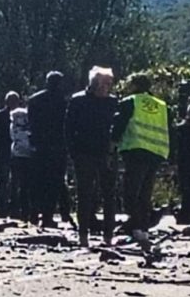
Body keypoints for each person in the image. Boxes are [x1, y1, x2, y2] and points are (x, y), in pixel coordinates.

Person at [111, 73, 169, 241]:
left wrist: (112, 143)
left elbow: (119, 124)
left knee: (131, 192)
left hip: (136, 150)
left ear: (135, 85)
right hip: (156, 152)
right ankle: (143, 227)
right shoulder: (161, 105)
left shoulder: (130, 101)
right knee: (145, 193)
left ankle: (135, 226)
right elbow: (169, 129)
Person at [66, 66, 118, 246]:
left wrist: (114, 147)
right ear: (94, 83)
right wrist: (73, 152)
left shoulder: (112, 102)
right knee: (85, 194)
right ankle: (83, 235)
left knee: (109, 194)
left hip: (106, 153)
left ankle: (108, 235)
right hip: (84, 153)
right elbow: (68, 128)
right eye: (104, 83)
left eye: (109, 84)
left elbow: (117, 126)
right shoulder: (78, 100)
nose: (107, 87)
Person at [27, 71, 69, 228]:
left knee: (37, 181)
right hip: (57, 146)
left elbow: (31, 122)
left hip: (39, 146)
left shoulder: (35, 100)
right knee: (54, 182)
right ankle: (47, 216)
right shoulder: (64, 102)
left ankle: (33, 213)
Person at [0, 91, 20, 217]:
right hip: (5, 150)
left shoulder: (19, 116)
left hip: (16, 151)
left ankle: (13, 208)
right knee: (4, 179)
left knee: (14, 180)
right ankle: (2, 208)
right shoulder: (0, 116)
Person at [8, 99, 34, 221]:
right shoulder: (29, 127)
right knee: (25, 184)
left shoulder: (13, 127)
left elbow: (12, 137)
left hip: (16, 154)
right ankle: (25, 210)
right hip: (27, 155)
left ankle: (15, 210)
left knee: (15, 183)